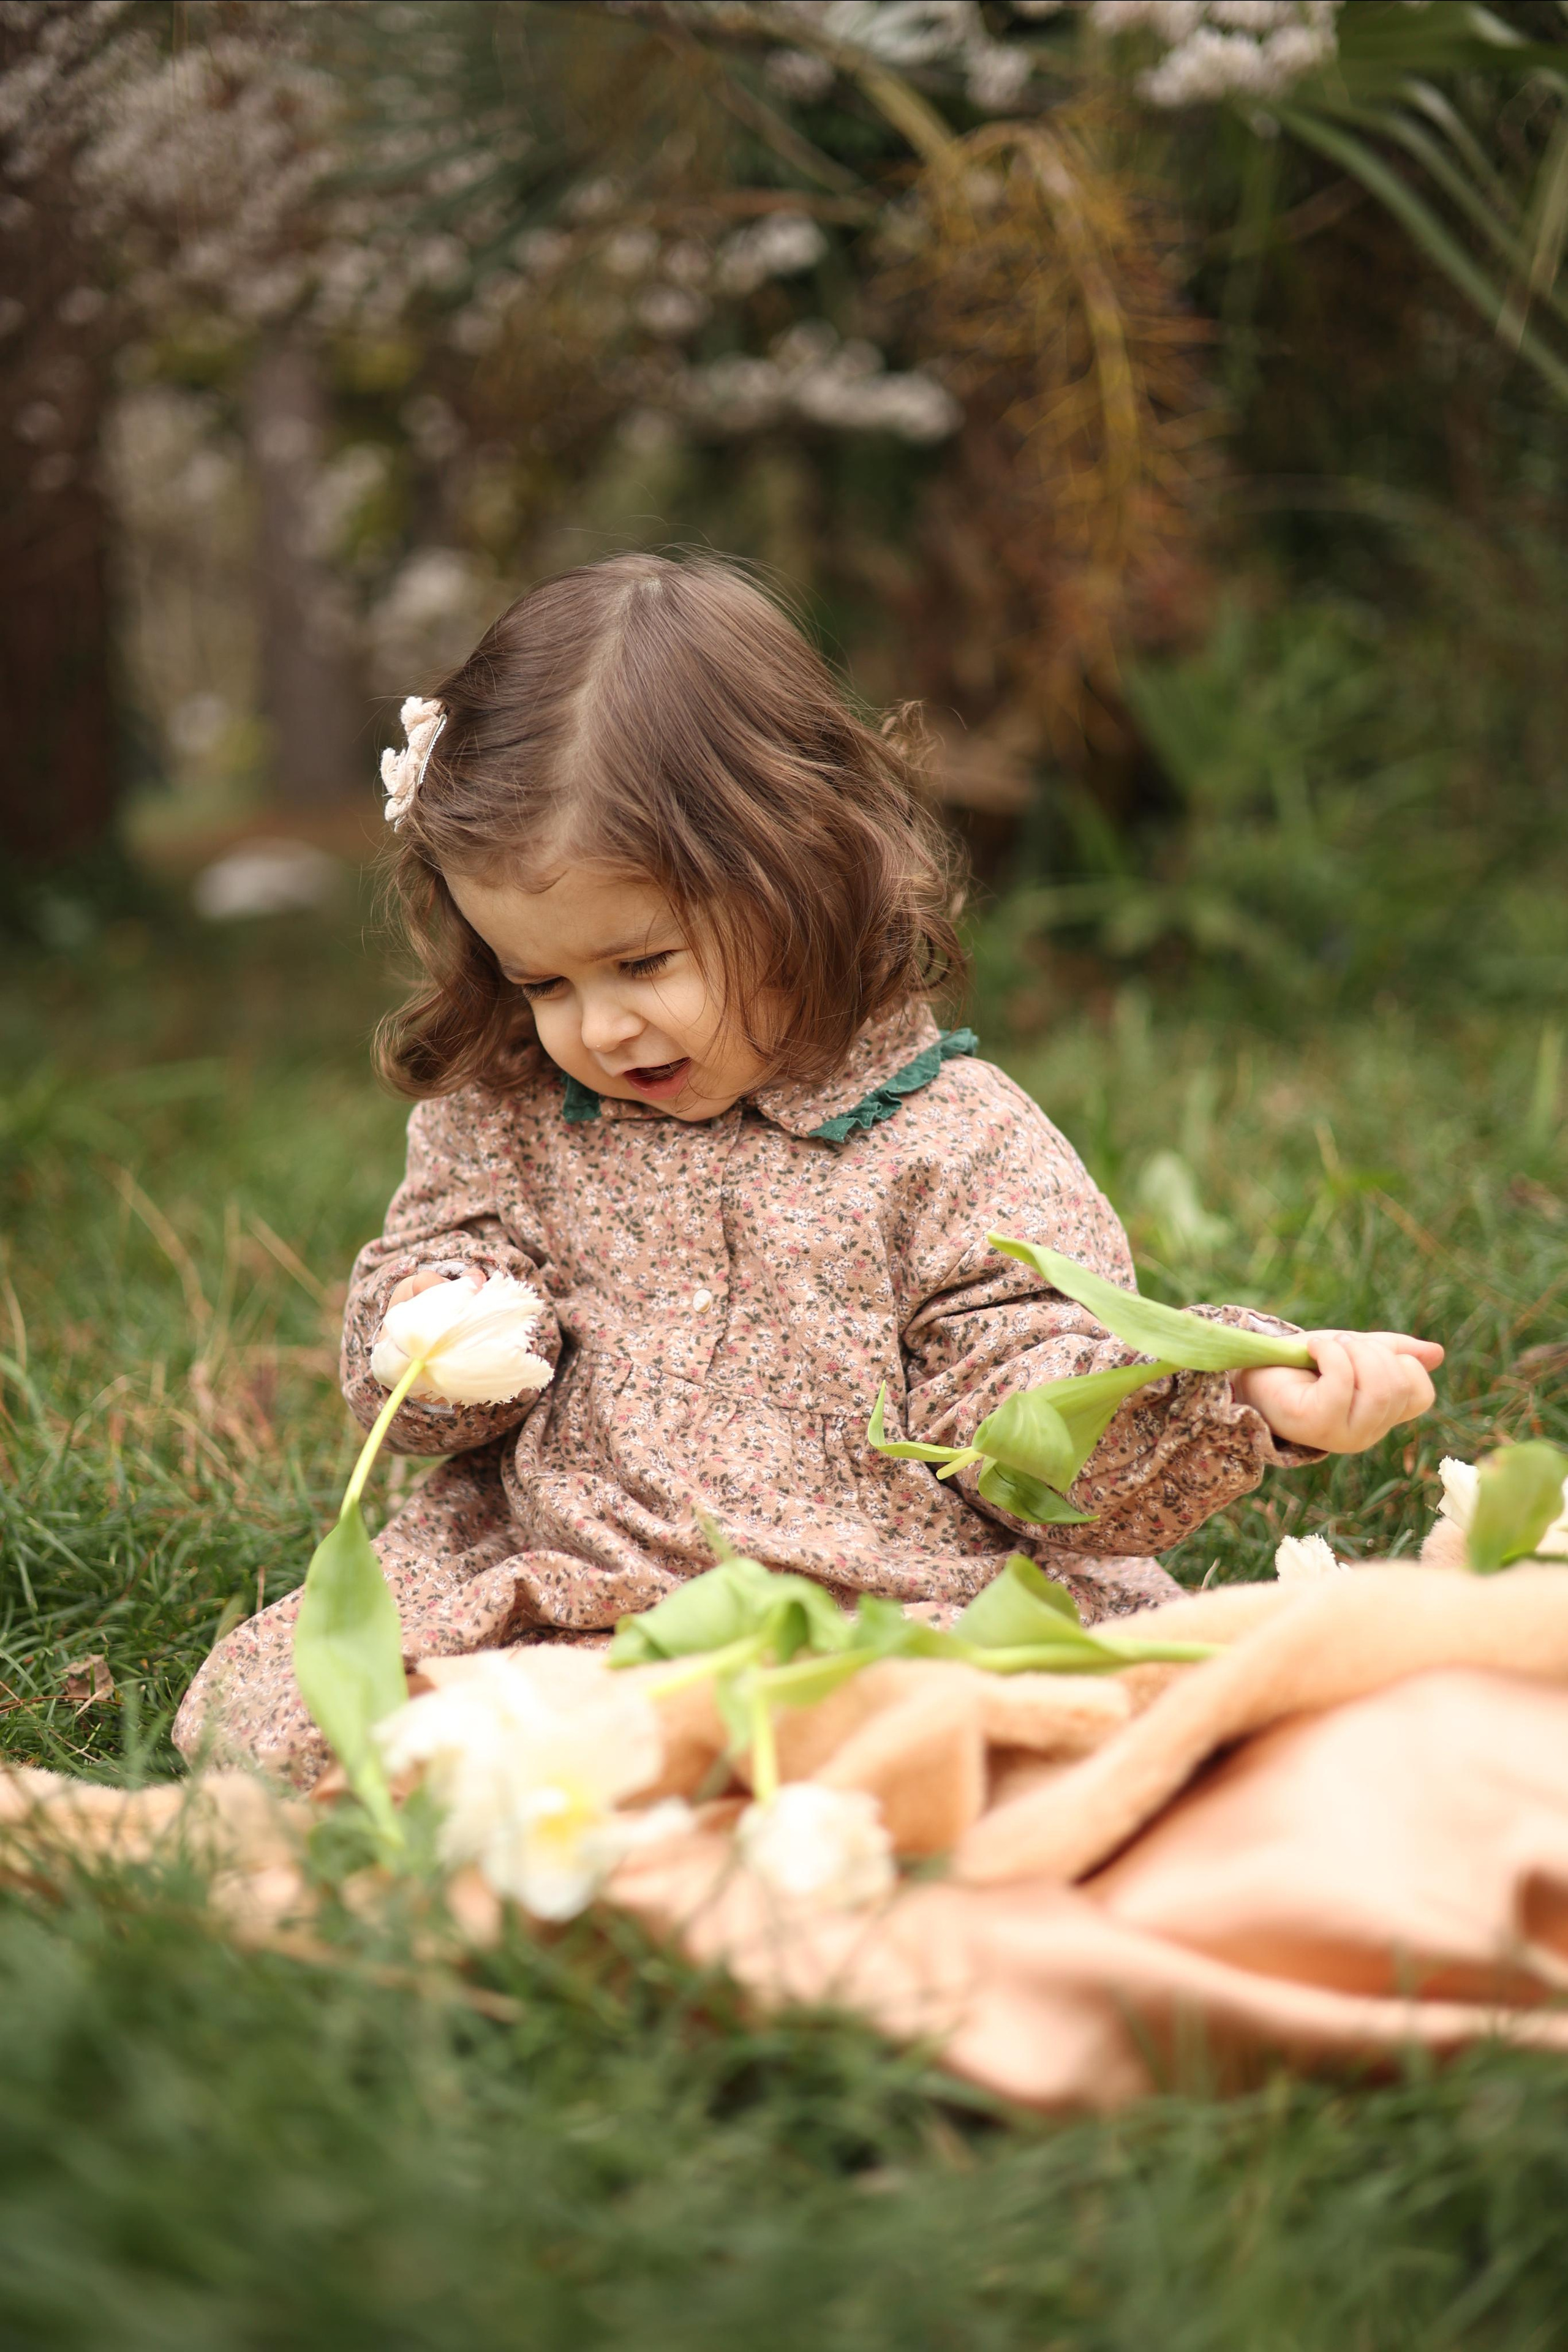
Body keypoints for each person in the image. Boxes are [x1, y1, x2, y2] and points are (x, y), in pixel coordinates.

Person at [175, 554, 1441, 1786]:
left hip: (888, 1604)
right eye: (540, 981)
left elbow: (1022, 1400)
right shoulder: (507, 1120)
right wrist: (443, 1327)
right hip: (568, 1582)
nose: (598, 1027)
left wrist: (1236, 1399)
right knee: (327, 1714)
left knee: (1016, 1726)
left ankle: (777, 1779)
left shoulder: (948, 1140)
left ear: (796, 879)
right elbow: (428, 1306)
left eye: (641, 963)